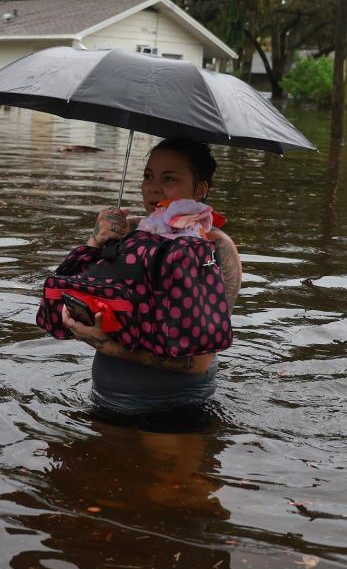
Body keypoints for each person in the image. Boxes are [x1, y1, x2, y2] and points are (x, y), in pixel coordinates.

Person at [60, 138, 242, 415]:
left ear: (200, 189)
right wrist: (95, 241)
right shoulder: (128, 232)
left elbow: (199, 360)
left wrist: (109, 347)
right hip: (106, 398)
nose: (153, 189)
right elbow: (70, 289)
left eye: (169, 179)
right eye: (148, 176)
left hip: (176, 407)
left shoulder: (213, 247)